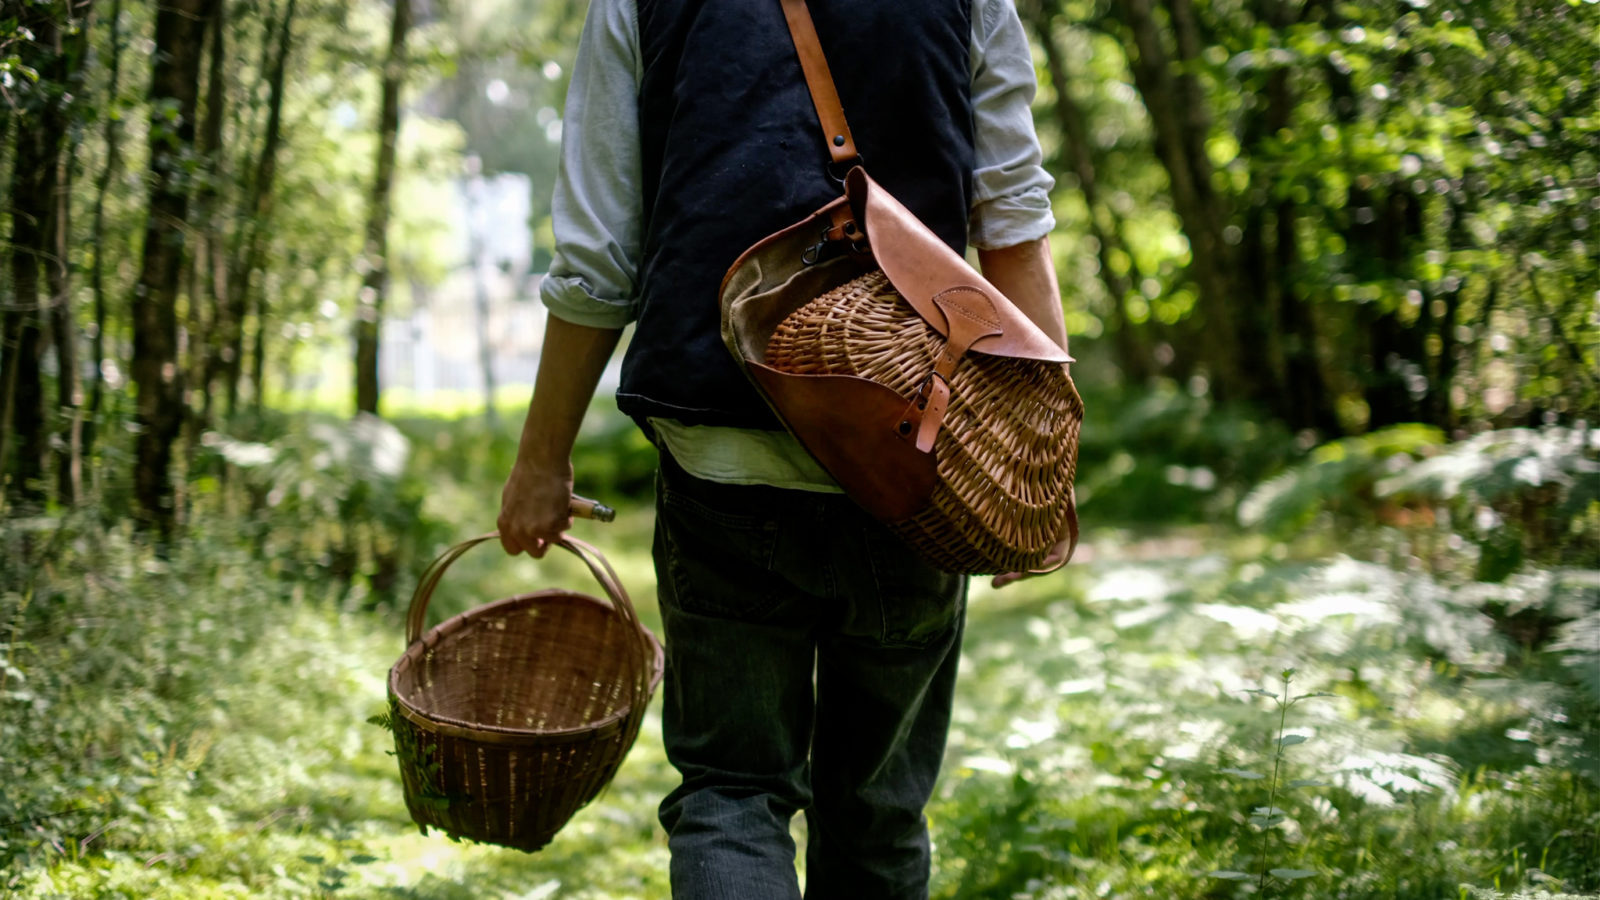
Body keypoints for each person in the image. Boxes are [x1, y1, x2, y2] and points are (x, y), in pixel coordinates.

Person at [497, 0, 1072, 895]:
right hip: (914, 453)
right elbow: (1012, 222)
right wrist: (1037, 467)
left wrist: (542, 459)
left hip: (721, 454)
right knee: (877, 815)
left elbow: (598, 260)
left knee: (732, 792)